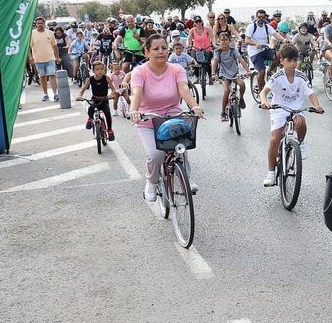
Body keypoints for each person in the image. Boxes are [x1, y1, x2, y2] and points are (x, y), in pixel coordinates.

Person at [130, 34, 203, 203]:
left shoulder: (177, 69)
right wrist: (134, 110)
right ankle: (151, 182)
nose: (160, 52)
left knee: (182, 148)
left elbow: (184, 90)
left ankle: (186, 177)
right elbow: (137, 93)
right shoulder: (139, 72)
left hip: (172, 117)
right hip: (148, 119)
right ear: (147, 52)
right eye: (155, 49)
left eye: (163, 48)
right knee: (156, 155)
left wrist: (194, 106)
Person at [258, 44, 326, 185]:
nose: (293, 63)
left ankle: (300, 143)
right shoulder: (277, 76)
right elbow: (264, 92)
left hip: (296, 108)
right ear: (282, 60)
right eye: (289, 60)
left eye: (295, 60)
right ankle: (271, 173)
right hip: (279, 109)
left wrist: (317, 105)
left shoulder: (301, 76)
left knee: (300, 121)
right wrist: (264, 102)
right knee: (274, 139)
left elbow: (311, 93)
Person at [76, 59, 115, 139]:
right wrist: (80, 95)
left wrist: (111, 95)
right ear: (93, 71)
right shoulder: (91, 79)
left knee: (107, 113)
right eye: (97, 69)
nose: (100, 71)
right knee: (91, 108)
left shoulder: (106, 78)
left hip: (104, 99)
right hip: (95, 99)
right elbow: (83, 89)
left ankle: (110, 130)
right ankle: (90, 119)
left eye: (102, 69)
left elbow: (113, 89)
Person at [213, 31, 245, 121]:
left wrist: (248, 70)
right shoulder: (217, 52)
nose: (224, 42)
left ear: (229, 41)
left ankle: (241, 98)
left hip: (234, 73)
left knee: (242, 84)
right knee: (226, 90)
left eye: (226, 40)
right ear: (219, 41)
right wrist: (213, 73)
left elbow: (241, 60)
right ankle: (223, 112)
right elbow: (215, 62)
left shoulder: (233, 51)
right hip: (224, 74)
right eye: (222, 40)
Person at [245, 10, 278, 93]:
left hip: (264, 49)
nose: (261, 19)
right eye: (259, 17)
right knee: (261, 71)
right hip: (255, 52)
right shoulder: (252, 27)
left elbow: (275, 34)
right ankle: (261, 92)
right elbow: (247, 40)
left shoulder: (267, 27)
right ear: (256, 17)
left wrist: (284, 39)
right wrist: (255, 44)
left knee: (277, 57)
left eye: (263, 17)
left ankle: (270, 71)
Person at [30, 17, 59, 101]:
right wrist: (30, 57)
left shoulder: (49, 33)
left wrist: (57, 57)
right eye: (38, 23)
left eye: (41, 23)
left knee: (52, 75)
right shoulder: (32, 33)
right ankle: (45, 94)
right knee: (42, 77)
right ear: (36, 24)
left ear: (44, 24)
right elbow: (28, 47)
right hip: (38, 59)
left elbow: (55, 46)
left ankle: (55, 93)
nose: (40, 25)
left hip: (50, 58)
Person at [190, 17, 215, 83]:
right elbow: (189, 39)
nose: (198, 23)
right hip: (196, 49)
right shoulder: (192, 30)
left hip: (207, 48)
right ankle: (197, 77)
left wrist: (214, 44)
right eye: (196, 22)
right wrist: (189, 45)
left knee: (208, 64)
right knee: (194, 62)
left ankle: (210, 77)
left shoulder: (207, 30)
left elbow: (213, 38)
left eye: (199, 21)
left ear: (202, 22)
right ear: (194, 23)